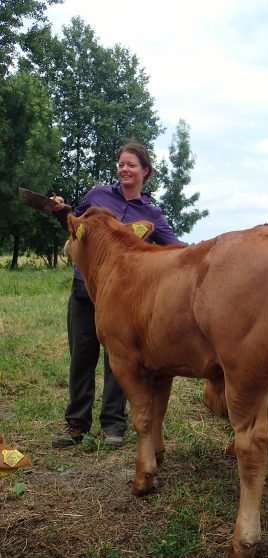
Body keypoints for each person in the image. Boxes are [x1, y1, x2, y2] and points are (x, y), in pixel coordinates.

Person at [51, 141, 182, 449]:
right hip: (86, 289)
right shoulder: (97, 195)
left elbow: (175, 247)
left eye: (131, 165)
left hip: (125, 299)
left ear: (145, 172)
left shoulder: (151, 214)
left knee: (118, 360)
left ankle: (113, 424)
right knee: (81, 356)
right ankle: (77, 424)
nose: (124, 169)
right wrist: (62, 211)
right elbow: (75, 226)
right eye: (121, 164)